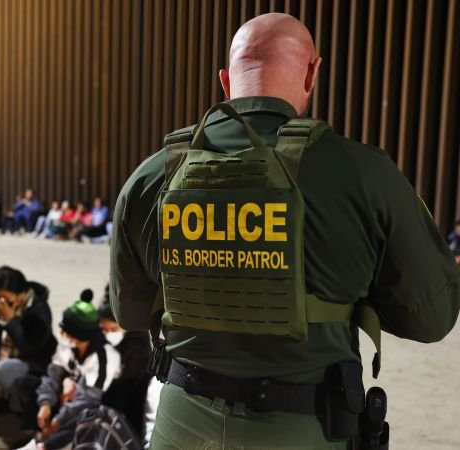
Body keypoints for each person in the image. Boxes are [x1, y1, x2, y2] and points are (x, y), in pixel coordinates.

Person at [110, 13, 460, 449]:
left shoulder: (150, 177)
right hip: (304, 425)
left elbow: (129, 313)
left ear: (225, 81)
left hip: (180, 423)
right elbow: (431, 319)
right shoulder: (364, 173)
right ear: (313, 72)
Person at [16, 291, 121, 450]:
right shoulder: (68, 345)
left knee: (85, 412)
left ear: (80, 335)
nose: (62, 335)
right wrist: (45, 404)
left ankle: (46, 445)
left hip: (90, 409)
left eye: (66, 332)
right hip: (67, 400)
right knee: (29, 385)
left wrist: (57, 421)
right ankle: (40, 435)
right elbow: (52, 374)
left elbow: (88, 400)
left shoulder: (104, 357)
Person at [0, 266, 57, 412]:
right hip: (2, 359)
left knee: (5, 370)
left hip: (32, 367)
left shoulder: (39, 309)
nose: (1, 303)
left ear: (21, 294)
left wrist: (11, 322)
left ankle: (17, 405)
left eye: (7, 299)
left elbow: (32, 348)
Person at [98, 285, 152, 441]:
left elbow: (129, 382)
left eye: (112, 329)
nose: (107, 333)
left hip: (129, 400)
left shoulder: (138, 344)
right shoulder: (105, 320)